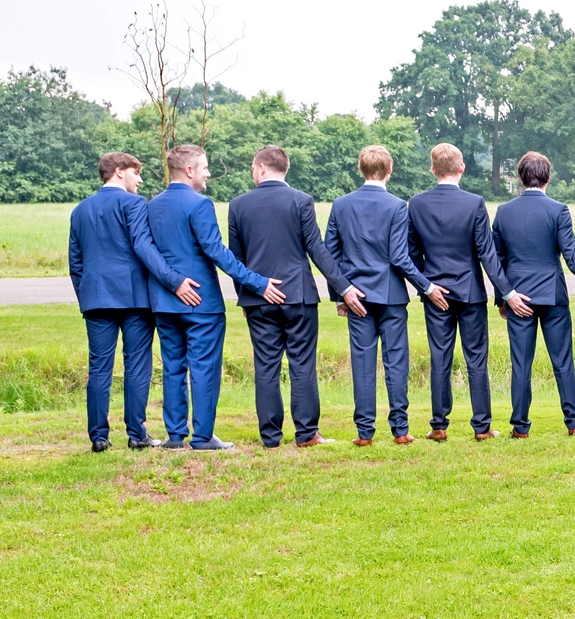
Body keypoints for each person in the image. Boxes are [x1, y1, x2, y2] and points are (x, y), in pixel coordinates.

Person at [146, 144, 284, 450]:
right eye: (205, 167)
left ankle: (175, 435)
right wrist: (257, 282)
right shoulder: (199, 204)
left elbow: (150, 252)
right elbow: (217, 252)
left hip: (165, 301)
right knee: (204, 367)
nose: (208, 172)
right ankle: (203, 436)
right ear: (189, 170)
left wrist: (170, 284)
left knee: (172, 366)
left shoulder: (152, 205)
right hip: (201, 302)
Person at [228, 144, 366, 448]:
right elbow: (317, 249)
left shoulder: (238, 205)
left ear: (262, 168)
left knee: (266, 365)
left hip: (258, 298)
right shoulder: (301, 201)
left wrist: (245, 296)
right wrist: (343, 286)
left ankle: (270, 436)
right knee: (302, 363)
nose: (253, 173)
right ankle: (306, 434)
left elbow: (236, 260)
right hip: (298, 295)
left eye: (253, 168)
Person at [69, 151, 198, 451]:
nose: (139, 180)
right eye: (135, 173)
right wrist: (171, 281)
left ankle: (99, 436)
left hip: (96, 298)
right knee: (137, 365)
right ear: (118, 172)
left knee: (99, 367)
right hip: (135, 298)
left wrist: (87, 294)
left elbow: (75, 263)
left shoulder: (80, 210)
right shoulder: (134, 204)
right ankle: (136, 434)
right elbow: (143, 248)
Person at [324, 145, 447, 446]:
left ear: (360, 169)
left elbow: (330, 255)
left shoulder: (341, 205)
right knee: (396, 363)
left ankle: (365, 432)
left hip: (357, 297)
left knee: (362, 363)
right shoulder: (396, 206)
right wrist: (427, 286)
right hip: (391, 295)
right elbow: (399, 257)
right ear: (389, 170)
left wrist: (341, 294)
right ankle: (400, 429)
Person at [491, 152, 575, 438]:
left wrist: (503, 298)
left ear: (520, 177)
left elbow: (497, 259)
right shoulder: (558, 210)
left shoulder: (504, 211)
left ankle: (519, 426)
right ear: (548, 177)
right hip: (552, 296)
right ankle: (574, 422)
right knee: (562, 360)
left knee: (521, 363)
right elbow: (573, 258)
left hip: (517, 298)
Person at [407, 143, 510, 441]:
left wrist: (425, 286)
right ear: (461, 167)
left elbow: (412, 255)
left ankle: (438, 425)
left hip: (435, 292)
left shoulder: (416, 203)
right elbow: (486, 253)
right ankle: (482, 426)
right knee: (476, 357)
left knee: (440, 357)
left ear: (432, 169)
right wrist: (506, 291)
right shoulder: (475, 203)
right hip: (469, 291)